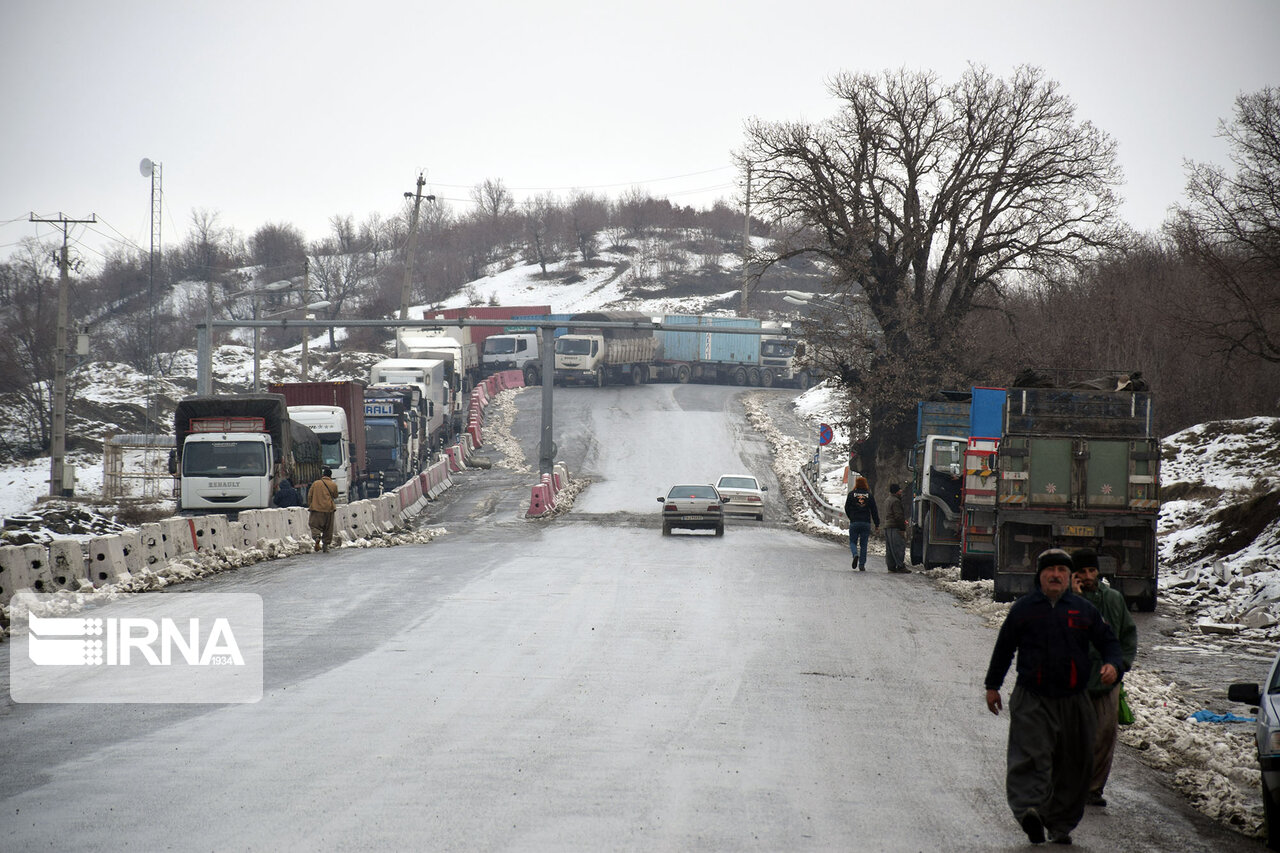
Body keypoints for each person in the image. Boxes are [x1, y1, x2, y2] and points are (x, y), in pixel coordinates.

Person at [984, 548, 1123, 846]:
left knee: (1074, 762)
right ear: (1040, 575)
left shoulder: (1084, 611)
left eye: (1062, 570)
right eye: (1051, 570)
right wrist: (992, 685)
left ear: (1068, 576)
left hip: (1074, 699)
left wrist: (1114, 664)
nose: (1056, 575)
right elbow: (1004, 648)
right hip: (1032, 696)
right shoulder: (1024, 609)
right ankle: (1030, 811)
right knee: (1032, 755)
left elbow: (1109, 642)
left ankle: (1060, 824)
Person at [1071, 549, 1138, 808]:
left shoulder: (1114, 599)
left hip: (1107, 679)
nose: (1088, 577)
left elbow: (1128, 636)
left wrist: (1120, 666)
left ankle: (1094, 788)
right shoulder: (1065, 601)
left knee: (1104, 735)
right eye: (1082, 572)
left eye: (1091, 571)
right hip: (1074, 680)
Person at [843, 476, 878, 571]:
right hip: (866, 523)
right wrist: (877, 524)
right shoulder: (869, 495)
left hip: (855, 522)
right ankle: (862, 565)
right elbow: (874, 510)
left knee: (852, 541)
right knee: (864, 544)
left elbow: (846, 507)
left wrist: (851, 517)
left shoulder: (851, 494)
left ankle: (855, 554)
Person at [307, 467, 339, 553]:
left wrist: (311, 504)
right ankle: (326, 545)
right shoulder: (333, 484)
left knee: (314, 525)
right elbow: (335, 496)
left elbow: (310, 495)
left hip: (316, 509)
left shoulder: (315, 483)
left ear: (323, 475)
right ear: (330, 476)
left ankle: (317, 536)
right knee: (328, 528)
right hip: (329, 509)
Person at [883, 482, 909, 573]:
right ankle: (900, 566)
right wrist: (902, 528)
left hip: (887, 526)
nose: (901, 491)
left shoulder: (887, 500)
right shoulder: (896, 501)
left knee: (890, 548)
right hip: (895, 527)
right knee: (898, 547)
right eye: (899, 490)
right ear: (896, 491)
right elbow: (898, 516)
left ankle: (891, 566)